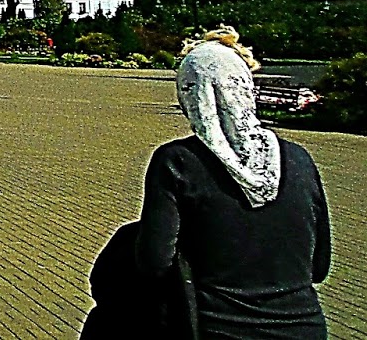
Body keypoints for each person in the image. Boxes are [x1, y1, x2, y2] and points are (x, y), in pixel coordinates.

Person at [133, 27, 331, 339]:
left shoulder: (177, 162)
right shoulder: (299, 160)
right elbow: (319, 267)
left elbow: (154, 263)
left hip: (219, 328)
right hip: (304, 327)